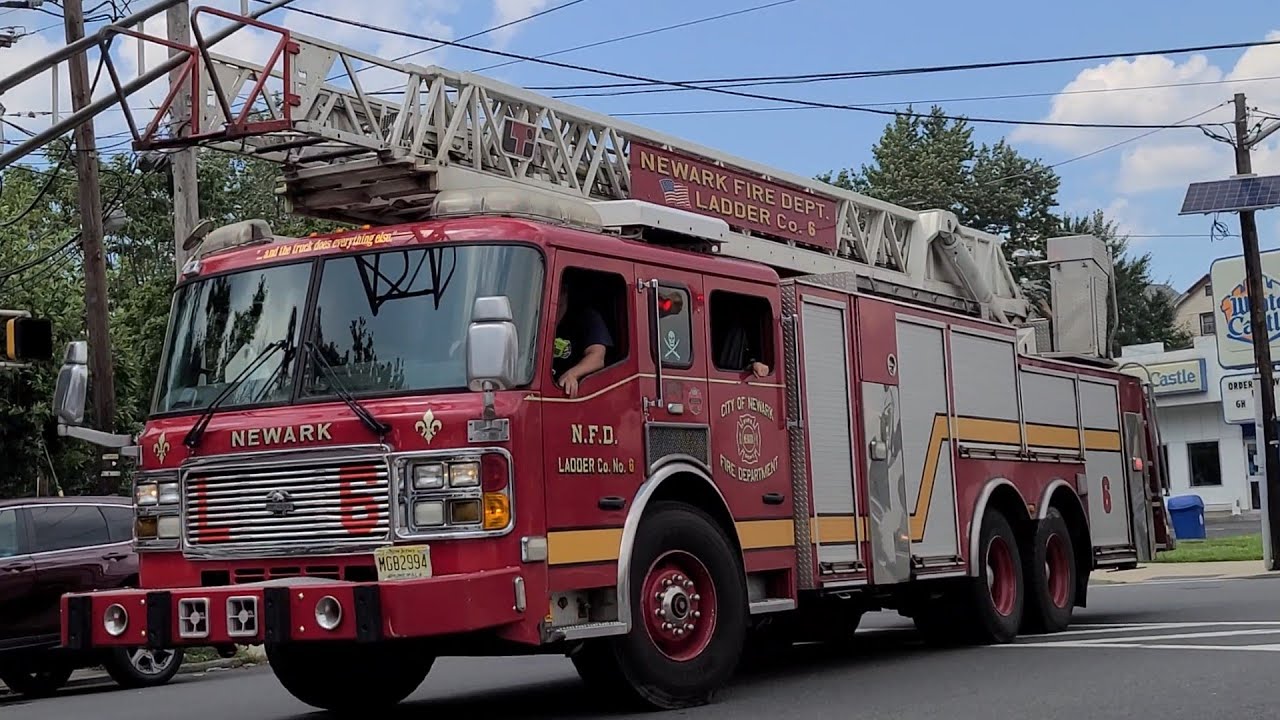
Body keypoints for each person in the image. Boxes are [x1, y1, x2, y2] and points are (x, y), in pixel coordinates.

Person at [552, 279, 612, 397]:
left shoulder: (587, 318)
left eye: (562, 290)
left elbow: (597, 357)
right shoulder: (534, 318)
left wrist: (572, 375)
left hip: (571, 395)